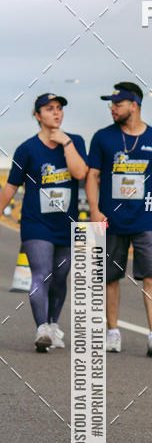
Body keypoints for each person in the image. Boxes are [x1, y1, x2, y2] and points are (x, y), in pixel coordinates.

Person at [85, 81, 152, 356]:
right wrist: (94, 210)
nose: (112, 109)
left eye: (118, 104)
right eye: (111, 104)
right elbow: (92, 175)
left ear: (134, 105)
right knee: (110, 277)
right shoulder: (103, 138)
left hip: (145, 219)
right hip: (111, 220)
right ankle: (112, 333)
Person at [0, 93, 87, 351]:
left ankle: (52, 325)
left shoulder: (75, 142)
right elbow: (10, 187)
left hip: (66, 224)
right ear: (38, 115)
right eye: (49, 109)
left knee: (60, 277)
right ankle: (41, 329)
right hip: (36, 223)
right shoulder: (27, 149)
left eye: (59, 108)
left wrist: (66, 143)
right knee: (41, 273)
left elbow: (80, 173)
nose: (56, 112)